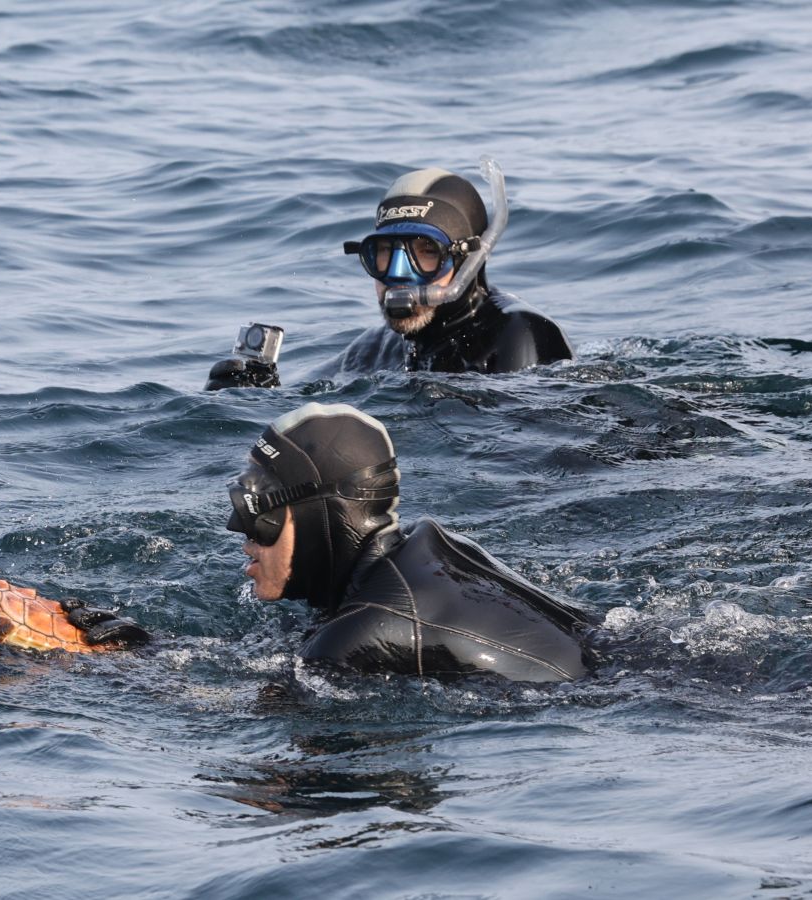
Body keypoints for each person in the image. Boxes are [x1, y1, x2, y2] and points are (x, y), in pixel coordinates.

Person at [225, 402, 592, 683]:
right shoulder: (431, 548)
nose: (241, 534)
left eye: (261, 518)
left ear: (321, 520)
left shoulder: (355, 636)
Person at [206, 161, 573, 390]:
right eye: (383, 254)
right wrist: (249, 397)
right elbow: (309, 403)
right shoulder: (379, 347)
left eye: (426, 253)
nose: (399, 276)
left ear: (469, 261)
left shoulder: (519, 334)